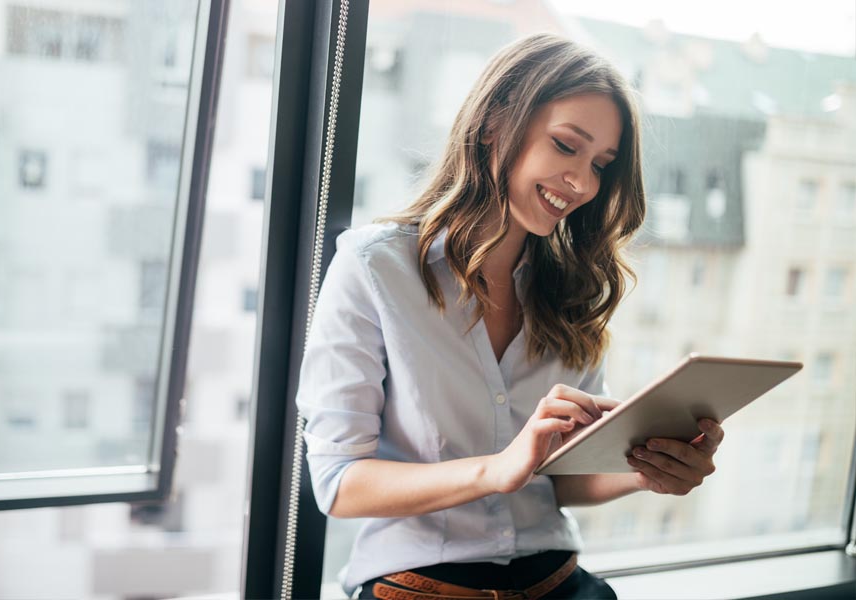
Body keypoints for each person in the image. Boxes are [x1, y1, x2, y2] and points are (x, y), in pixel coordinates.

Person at [296, 33, 725, 600]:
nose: (583, 183)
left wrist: (649, 471)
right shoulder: (374, 268)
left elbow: (562, 479)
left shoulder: (572, 288)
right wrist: (497, 468)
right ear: (497, 121)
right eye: (567, 146)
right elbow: (339, 482)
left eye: (600, 164)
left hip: (561, 582)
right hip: (419, 585)